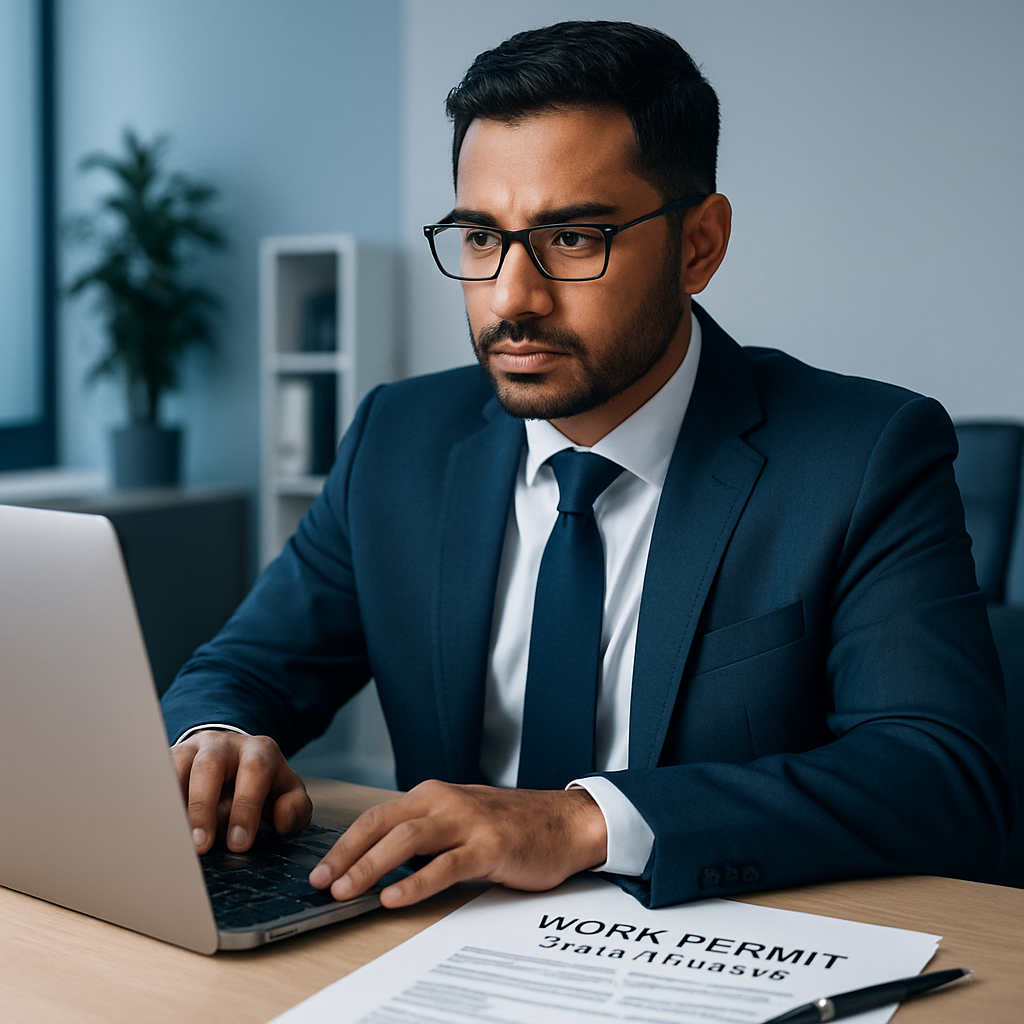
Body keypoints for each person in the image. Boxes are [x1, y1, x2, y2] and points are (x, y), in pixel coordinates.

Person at [161, 20, 1014, 910]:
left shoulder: (865, 453)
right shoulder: (399, 440)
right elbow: (245, 669)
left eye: (574, 239)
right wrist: (221, 736)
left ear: (699, 246)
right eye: (481, 237)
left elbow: (943, 776)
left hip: (716, 951)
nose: (510, 298)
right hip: (431, 949)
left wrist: (581, 822)